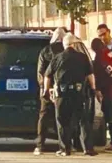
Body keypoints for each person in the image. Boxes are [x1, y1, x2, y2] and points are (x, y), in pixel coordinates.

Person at [43, 34, 98, 157]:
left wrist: (46, 90)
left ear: (64, 45)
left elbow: (47, 76)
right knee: (83, 121)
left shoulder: (57, 58)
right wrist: (93, 89)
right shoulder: (83, 57)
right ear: (74, 45)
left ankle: (64, 149)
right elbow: (90, 75)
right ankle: (87, 148)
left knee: (62, 121)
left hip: (62, 94)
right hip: (79, 94)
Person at [34, 27, 66, 156]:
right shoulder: (67, 51)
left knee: (44, 116)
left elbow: (40, 72)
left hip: (48, 89)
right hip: (63, 89)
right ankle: (65, 145)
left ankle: (40, 145)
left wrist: (44, 88)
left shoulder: (45, 51)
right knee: (64, 117)